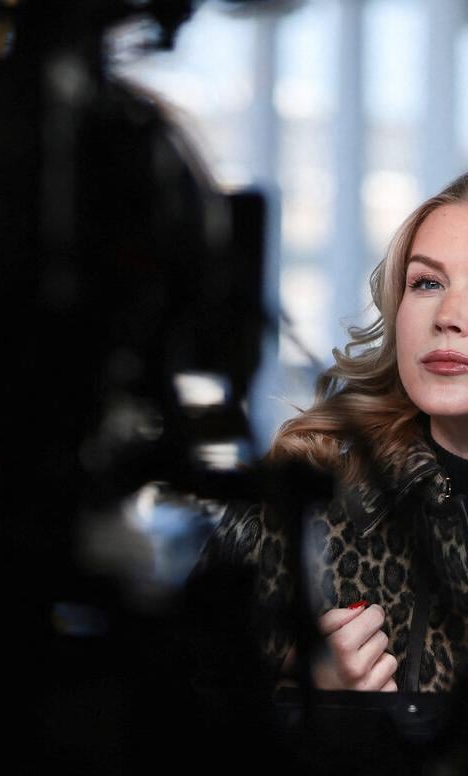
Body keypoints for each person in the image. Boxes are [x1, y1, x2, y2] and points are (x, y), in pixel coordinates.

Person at [200, 171, 468, 695]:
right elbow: (161, 731)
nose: (449, 317)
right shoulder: (298, 505)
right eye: (427, 283)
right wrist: (305, 688)